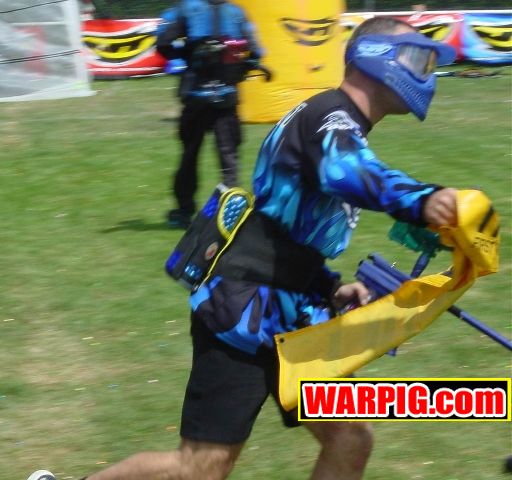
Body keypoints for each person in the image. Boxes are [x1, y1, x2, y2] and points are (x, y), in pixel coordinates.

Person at [28, 16, 458, 480]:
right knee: (201, 468)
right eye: (416, 58)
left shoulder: (338, 122)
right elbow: (346, 172)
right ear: (376, 58)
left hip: (292, 311)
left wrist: (329, 288)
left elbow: (286, 228)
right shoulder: (330, 117)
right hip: (244, 307)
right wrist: (423, 200)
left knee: (350, 439)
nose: (425, 72)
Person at [156, 0, 266, 229]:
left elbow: (163, 42)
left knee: (189, 157)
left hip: (196, 96)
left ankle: (184, 212)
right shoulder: (236, 13)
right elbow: (256, 52)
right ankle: (231, 216)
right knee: (229, 161)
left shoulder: (186, 8)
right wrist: (242, 65)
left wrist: (188, 55)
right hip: (226, 97)